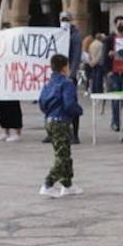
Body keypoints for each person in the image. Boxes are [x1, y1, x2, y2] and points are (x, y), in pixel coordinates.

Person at [38, 53, 83, 198]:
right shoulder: (67, 83)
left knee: (64, 153)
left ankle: (67, 184)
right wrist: (78, 110)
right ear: (65, 67)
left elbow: (42, 102)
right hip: (61, 121)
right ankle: (48, 184)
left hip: (50, 120)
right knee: (62, 157)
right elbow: (69, 103)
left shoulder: (48, 83)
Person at [61, 11, 84, 144]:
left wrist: (72, 74)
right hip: (58, 74)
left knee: (71, 104)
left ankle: (75, 134)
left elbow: (76, 57)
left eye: (66, 19)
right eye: (62, 19)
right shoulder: (58, 33)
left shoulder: (75, 36)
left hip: (69, 75)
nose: (64, 21)